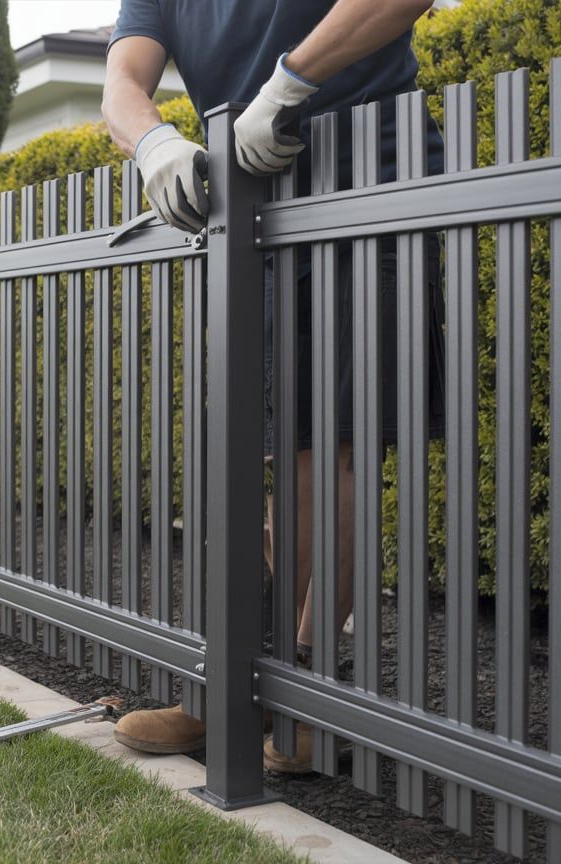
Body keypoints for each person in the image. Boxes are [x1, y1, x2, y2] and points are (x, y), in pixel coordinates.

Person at [102, 0, 446, 773]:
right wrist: (152, 138)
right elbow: (123, 79)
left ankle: (305, 695)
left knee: (338, 449)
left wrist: (290, 82)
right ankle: (247, 684)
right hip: (257, 205)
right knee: (278, 455)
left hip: (373, 189)